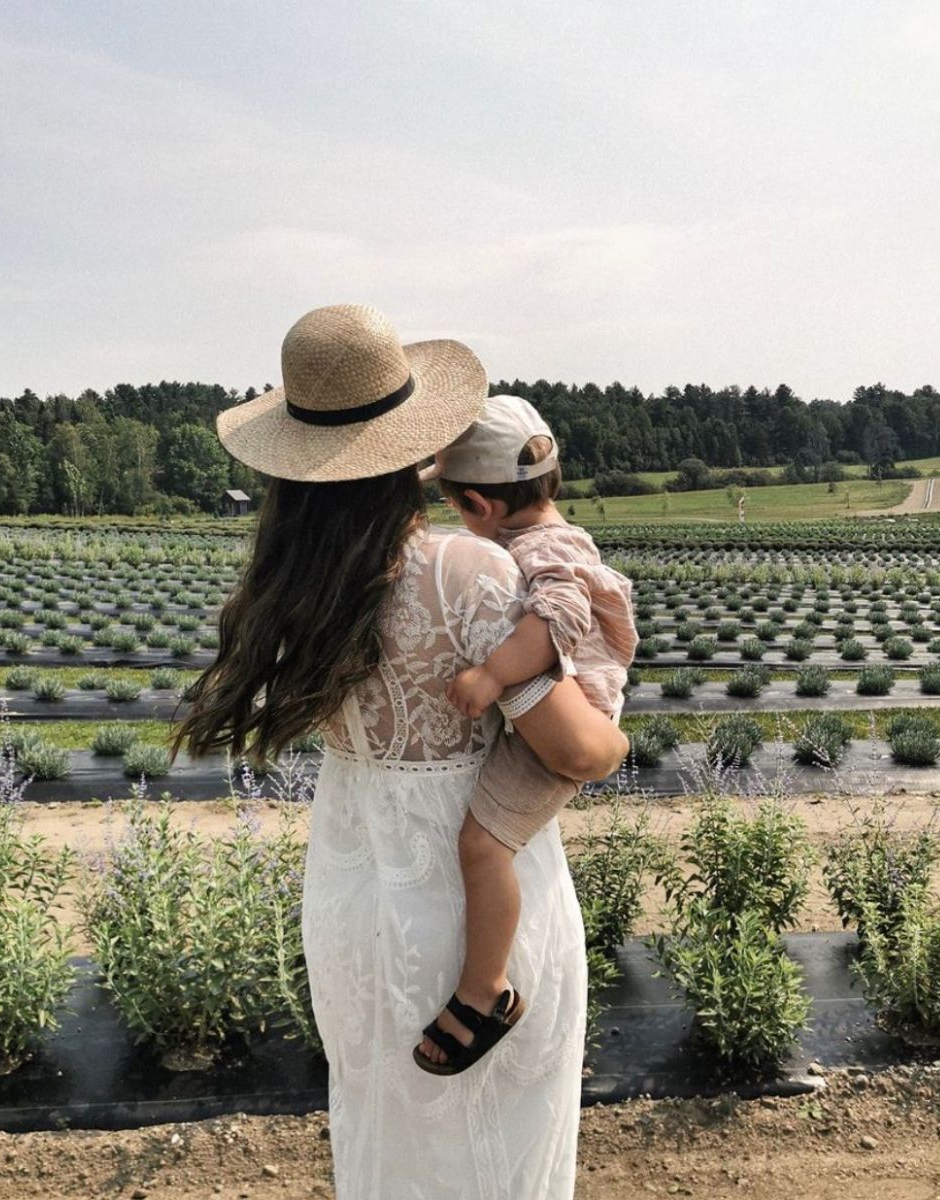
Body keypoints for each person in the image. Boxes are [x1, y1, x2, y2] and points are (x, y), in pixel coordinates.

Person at [174, 305, 630, 1200]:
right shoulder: (470, 573)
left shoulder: (288, 590)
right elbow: (584, 753)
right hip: (471, 901)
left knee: (386, 1131)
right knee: (496, 1147)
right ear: (414, 446)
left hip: (353, 891)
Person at [413, 396, 638, 1075]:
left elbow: (561, 616)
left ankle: (486, 991)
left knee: (483, 847)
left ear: (480, 507)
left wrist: (490, 675)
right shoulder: (543, 535)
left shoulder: (541, 550)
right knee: (485, 845)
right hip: (557, 709)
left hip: (573, 718)